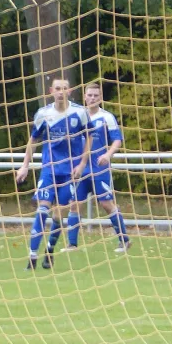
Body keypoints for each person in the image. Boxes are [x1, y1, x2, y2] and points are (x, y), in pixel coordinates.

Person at [16, 78, 93, 270]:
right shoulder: (43, 114)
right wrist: (25, 165)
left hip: (70, 172)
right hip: (49, 170)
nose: (60, 92)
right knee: (42, 210)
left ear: (70, 91)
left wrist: (83, 163)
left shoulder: (79, 113)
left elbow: (90, 136)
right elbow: (33, 140)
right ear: (51, 91)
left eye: (64, 88)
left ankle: (49, 251)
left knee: (59, 214)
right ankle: (32, 257)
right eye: (57, 88)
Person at [60, 82, 132, 254]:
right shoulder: (76, 117)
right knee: (74, 204)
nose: (92, 98)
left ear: (100, 98)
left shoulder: (106, 117)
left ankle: (124, 240)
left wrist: (108, 155)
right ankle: (72, 244)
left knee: (106, 204)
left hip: (99, 169)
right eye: (89, 95)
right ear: (84, 97)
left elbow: (117, 140)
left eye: (95, 95)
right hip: (80, 169)